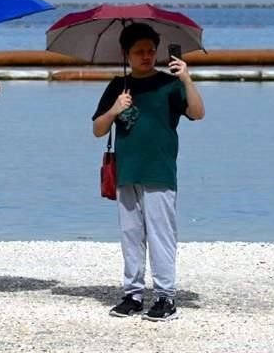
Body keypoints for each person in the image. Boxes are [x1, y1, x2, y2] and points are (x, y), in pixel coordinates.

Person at [92, 22, 205, 322]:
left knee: (161, 234)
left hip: (159, 170)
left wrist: (187, 79)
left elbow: (197, 113)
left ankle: (166, 296)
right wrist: (115, 109)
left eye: (150, 51)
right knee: (130, 234)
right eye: (139, 51)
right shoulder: (119, 86)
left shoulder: (169, 83)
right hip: (127, 171)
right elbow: (97, 128)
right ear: (126, 54)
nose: (146, 56)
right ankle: (133, 294)